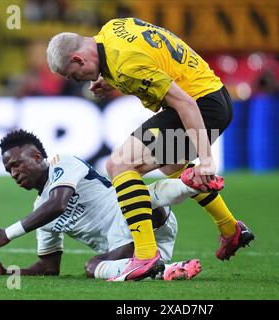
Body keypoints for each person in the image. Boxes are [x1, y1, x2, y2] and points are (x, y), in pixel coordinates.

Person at [46, 18, 254, 280]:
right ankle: (230, 228)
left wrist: (207, 160)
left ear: (78, 59)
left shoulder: (126, 65)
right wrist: (110, 80)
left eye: (73, 75)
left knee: (119, 164)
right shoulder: (112, 29)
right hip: (213, 93)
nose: (78, 80)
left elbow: (185, 104)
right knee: (171, 166)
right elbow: (154, 54)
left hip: (200, 106)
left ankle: (145, 255)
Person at [0, 129, 202, 281]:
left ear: (38, 157)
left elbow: (58, 204)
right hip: (128, 247)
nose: (13, 173)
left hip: (143, 215)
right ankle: (168, 270)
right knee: (92, 267)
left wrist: (8, 234)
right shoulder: (40, 213)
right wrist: (7, 272)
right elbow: (49, 267)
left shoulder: (63, 163)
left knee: (138, 193)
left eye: (16, 164)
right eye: (8, 169)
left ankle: (191, 183)